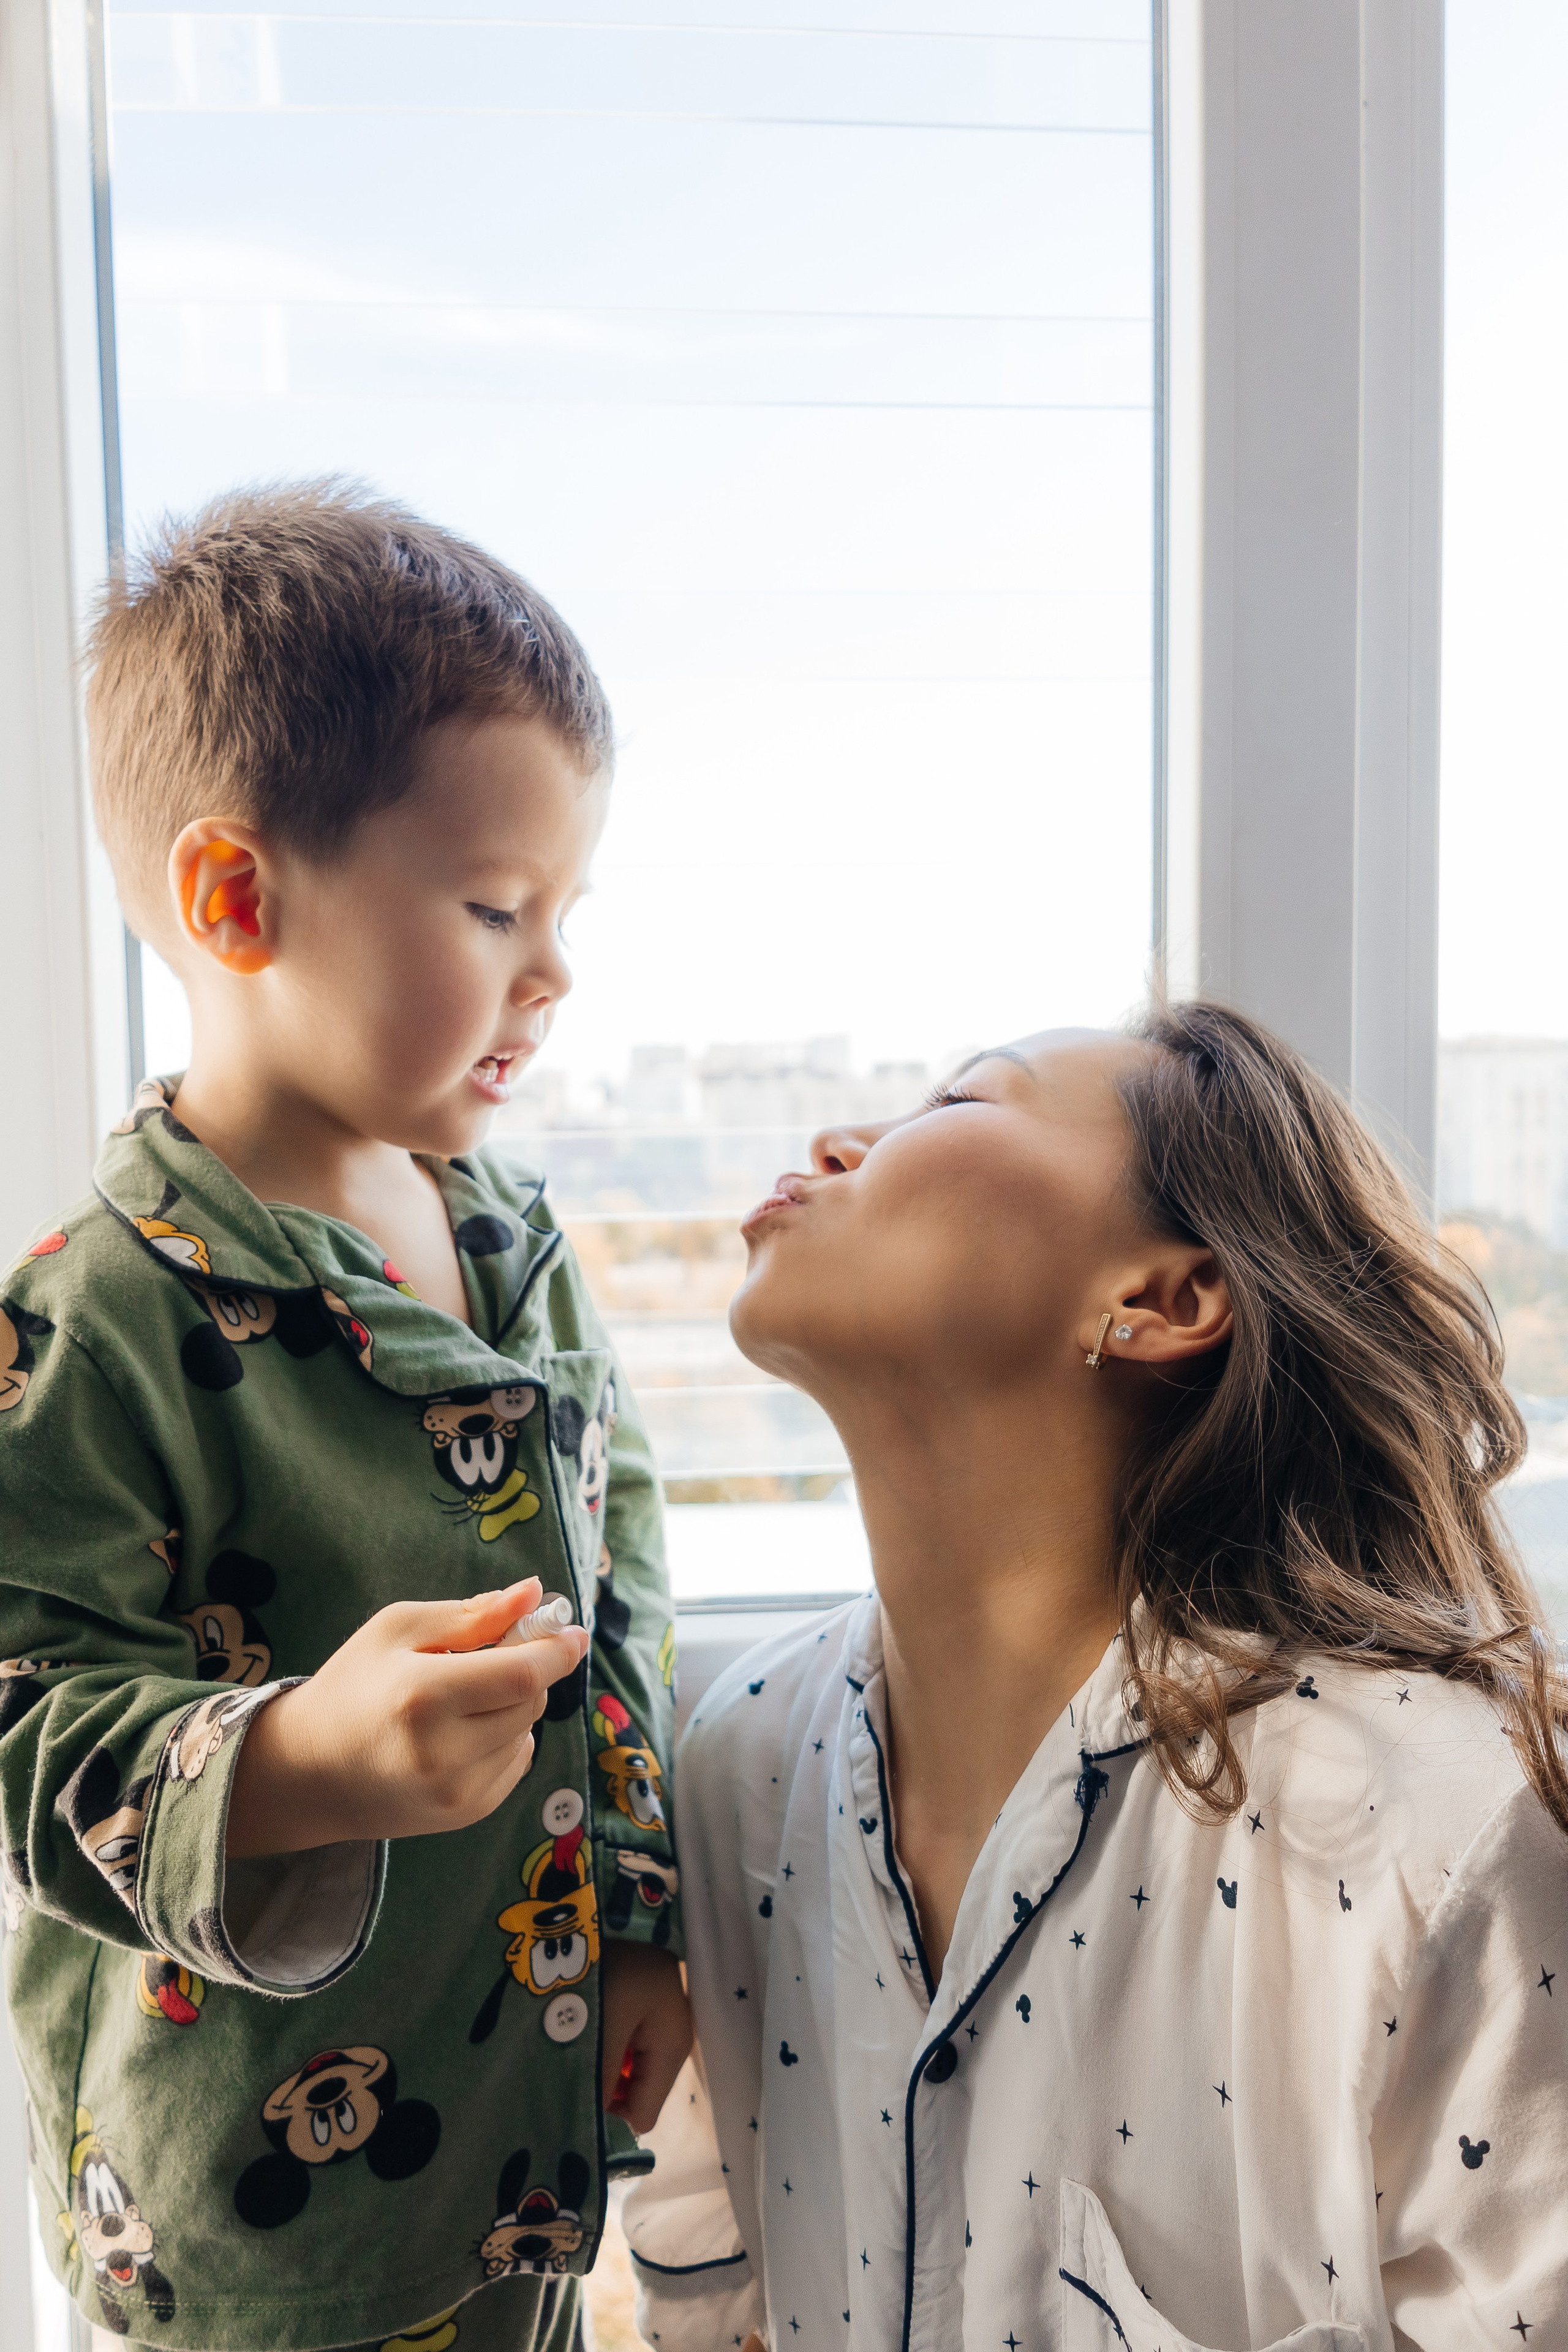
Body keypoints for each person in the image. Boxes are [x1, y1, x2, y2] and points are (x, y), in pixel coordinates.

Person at [0, 484, 690, 2352]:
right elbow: (22, 1720)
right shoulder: (94, 1317)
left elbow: (619, 1571)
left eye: (565, 910)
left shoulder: (509, 1241)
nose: (551, 974)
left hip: (513, 2150)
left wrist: (639, 1903)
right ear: (238, 898)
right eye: (492, 907)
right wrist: (295, 1759)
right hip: (247, 2225)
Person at [624, 1005, 1568, 2351]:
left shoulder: (1443, 1832)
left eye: (954, 1107)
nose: (835, 1142)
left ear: (1159, 1299)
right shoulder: (736, 1763)